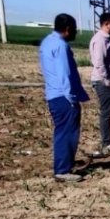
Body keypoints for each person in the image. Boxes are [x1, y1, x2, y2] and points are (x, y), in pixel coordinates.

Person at [39, 13, 90, 183]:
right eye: (75, 29)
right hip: (63, 97)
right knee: (67, 133)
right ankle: (62, 170)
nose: (76, 33)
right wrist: (71, 98)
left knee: (62, 131)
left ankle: (65, 163)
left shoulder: (47, 41)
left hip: (54, 95)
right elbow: (65, 74)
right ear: (68, 29)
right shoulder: (61, 46)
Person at [88, 12, 110, 154]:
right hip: (104, 83)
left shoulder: (106, 39)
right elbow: (99, 63)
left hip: (108, 82)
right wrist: (107, 80)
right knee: (106, 113)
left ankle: (107, 141)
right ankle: (106, 143)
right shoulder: (101, 40)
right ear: (107, 24)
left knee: (108, 112)